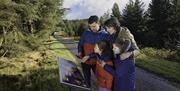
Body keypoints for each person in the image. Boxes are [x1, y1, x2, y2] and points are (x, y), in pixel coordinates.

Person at [77, 15, 106, 87]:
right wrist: (80, 52)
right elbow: (80, 43)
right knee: (86, 78)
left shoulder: (104, 35)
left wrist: (89, 56)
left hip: (97, 62)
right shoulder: (86, 33)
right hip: (85, 61)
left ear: (99, 24)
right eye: (90, 26)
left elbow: (101, 50)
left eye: (94, 26)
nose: (92, 28)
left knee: (100, 78)